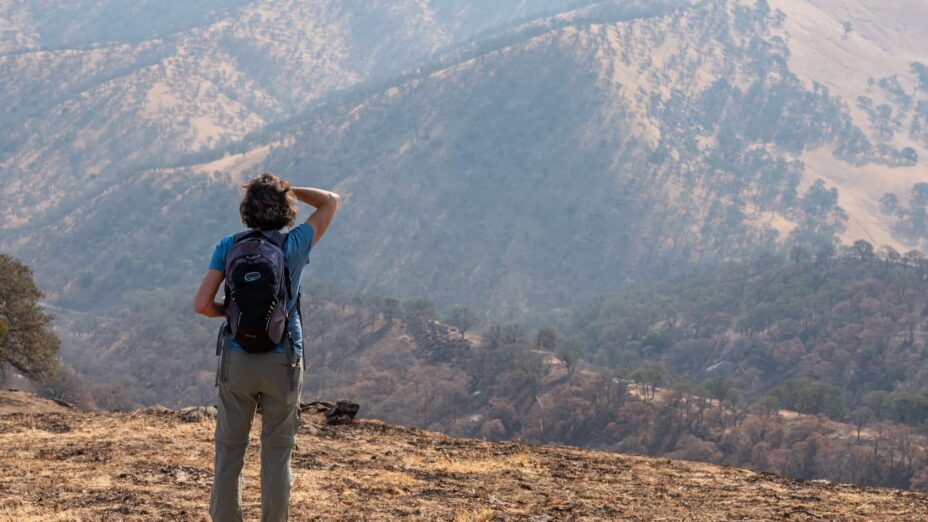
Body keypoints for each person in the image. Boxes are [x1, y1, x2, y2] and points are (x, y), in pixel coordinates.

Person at [193, 173, 340, 521]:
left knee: (230, 449)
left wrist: (227, 312)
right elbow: (331, 199)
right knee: (277, 451)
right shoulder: (295, 244)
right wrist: (290, 188)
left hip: (237, 358)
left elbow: (201, 304)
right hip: (284, 359)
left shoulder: (227, 246)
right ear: (286, 211)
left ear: (247, 211)